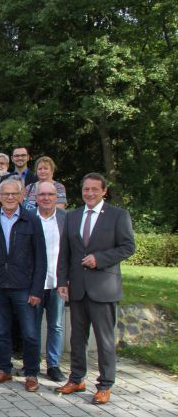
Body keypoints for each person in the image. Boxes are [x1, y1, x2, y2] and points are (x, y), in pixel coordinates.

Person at [56, 173, 135, 404]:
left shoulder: (118, 215)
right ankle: (77, 379)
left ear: (104, 191)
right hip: (78, 288)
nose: (89, 193)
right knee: (77, 338)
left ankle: (105, 385)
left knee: (104, 340)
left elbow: (128, 247)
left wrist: (99, 259)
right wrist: (62, 281)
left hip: (103, 288)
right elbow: (65, 252)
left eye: (94, 189)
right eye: (85, 189)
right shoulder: (73, 216)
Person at [0, 178, 47, 391]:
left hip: (24, 287)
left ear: (21, 196)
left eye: (13, 194)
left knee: (29, 332)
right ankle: (5, 369)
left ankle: (31, 373)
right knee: (2, 332)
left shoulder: (32, 220)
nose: (9, 197)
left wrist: (37, 289)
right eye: (5, 194)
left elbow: (41, 258)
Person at [34, 181, 67, 382]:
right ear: (36, 197)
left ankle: (53, 365)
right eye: (42, 194)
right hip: (35, 283)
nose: (46, 198)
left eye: (50, 194)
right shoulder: (28, 218)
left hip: (57, 282)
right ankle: (33, 363)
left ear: (56, 197)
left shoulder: (66, 219)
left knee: (55, 325)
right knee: (33, 325)